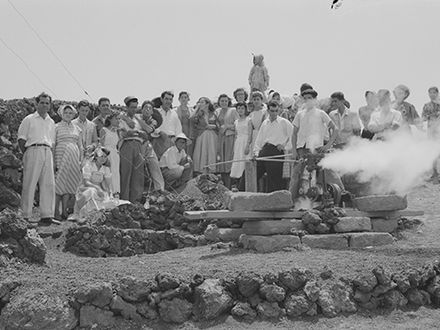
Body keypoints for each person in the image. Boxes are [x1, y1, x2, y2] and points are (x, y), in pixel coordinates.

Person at [290, 85, 339, 200]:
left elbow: (335, 129)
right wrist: (293, 150)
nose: (307, 100)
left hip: (317, 149)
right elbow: (294, 133)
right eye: (305, 98)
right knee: (297, 175)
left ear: (314, 99)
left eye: (309, 98)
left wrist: (328, 145)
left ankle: (320, 199)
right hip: (301, 149)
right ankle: (292, 200)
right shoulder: (299, 114)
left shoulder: (321, 113)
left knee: (321, 175)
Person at [18, 92, 56, 226]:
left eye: (47, 103)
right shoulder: (29, 119)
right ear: (36, 103)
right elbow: (21, 139)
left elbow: (52, 141)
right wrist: (28, 153)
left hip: (47, 151)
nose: (45, 105)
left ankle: (47, 215)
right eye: (42, 102)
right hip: (33, 149)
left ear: (50, 105)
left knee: (49, 184)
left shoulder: (51, 122)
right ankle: (25, 214)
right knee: (30, 183)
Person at [69, 147, 126, 222]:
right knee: (91, 191)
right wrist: (97, 188)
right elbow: (86, 182)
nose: (103, 159)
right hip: (85, 188)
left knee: (109, 202)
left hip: (99, 191)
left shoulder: (106, 169)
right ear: (96, 157)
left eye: (105, 157)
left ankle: (94, 214)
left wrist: (110, 194)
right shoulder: (88, 166)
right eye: (101, 156)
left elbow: (107, 185)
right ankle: (76, 213)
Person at [251, 100, 293, 192]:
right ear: (268, 111)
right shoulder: (265, 123)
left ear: (279, 111)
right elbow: (259, 140)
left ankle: (275, 201)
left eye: (276, 111)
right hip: (264, 151)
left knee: (274, 179)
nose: (274, 113)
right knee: (252, 174)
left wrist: (285, 146)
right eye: (272, 111)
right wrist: (256, 152)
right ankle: (241, 193)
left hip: (276, 152)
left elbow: (293, 137)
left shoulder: (284, 122)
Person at [53, 104, 83, 220]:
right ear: (61, 114)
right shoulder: (56, 127)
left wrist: (81, 160)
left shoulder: (77, 128)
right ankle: (56, 211)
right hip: (61, 156)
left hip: (74, 157)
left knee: (69, 184)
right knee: (59, 183)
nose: (68, 115)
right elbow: (54, 144)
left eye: (70, 113)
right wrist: (54, 161)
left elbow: (80, 146)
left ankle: (64, 211)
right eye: (66, 113)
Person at [119, 96, 146, 202]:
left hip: (139, 145)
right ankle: (124, 199)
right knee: (126, 172)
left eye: (135, 107)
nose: (134, 110)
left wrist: (142, 133)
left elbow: (146, 132)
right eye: (132, 107)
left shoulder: (139, 119)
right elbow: (121, 132)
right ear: (127, 107)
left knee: (138, 173)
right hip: (127, 144)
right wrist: (127, 133)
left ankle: (136, 200)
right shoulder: (121, 118)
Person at [139, 100, 165, 192]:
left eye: (150, 108)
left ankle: (160, 189)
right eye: (145, 107)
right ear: (141, 109)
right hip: (136, 146)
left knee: (154, 163)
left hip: (147, 145)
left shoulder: (153, 121)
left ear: (152, 112)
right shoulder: (136, 118)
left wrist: (138, 121)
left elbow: (149, 129)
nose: (147, 110)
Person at [191, 97, 219, 174]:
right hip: (201, 136)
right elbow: (192, 120)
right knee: (201, 153)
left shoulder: (214, 113)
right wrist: (197, 109)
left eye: (202, 102)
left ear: (207, 104)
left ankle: (211, 171)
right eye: (199, 102)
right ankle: (202, 172)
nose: (200, 103)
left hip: (212, 136)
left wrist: (213, 126)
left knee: (211, 152)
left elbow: (218, 125)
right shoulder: (198, 114)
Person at [216, 94, 238, 188]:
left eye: (225, 101)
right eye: (222, 101)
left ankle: (231, 184)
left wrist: (227, 127)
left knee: (229, 159)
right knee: (222, 160)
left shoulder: (232, 110)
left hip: (230, 137)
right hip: (221, 138)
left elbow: (238, 124)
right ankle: (224, 184)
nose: (224, 103)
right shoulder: (218, 111)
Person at [152, 91, 182, 159]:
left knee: (169, 165)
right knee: (159, 164)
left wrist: (177, 141)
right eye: (166, 99)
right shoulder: (155, 112)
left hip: (172, 142)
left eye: (170, 99)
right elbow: (152, 126)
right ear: (162, 99)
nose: (168, 101)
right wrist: (160, 132)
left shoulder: (174, 113)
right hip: (159, 140)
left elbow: (178, 129)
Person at [100, 111, 121, 197]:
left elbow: (118, 144)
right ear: (110, 119)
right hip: (106, 154)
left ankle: (116, 192)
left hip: (115, 155)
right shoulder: (104, 130)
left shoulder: (117, 131)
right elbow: (101, 145)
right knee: (108, 173)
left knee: (115, 173)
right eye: (116, 118)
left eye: (119, 119)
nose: (118, 120)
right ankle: (108, 193)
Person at [422, 86, 440, 183]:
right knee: (433, 152)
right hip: (431, 132)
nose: (432, 95)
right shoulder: (427, 105)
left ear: (437, 93)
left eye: (433, 92)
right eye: (430, 93)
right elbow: (423, 118)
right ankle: (435, 173)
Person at [230, 102, 251, 184]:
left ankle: (245, 182)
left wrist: (248, 145)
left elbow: (250, 134)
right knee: (237, 162)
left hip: (245, 141)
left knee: (245, 161)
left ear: (245, 109)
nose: (240, 110)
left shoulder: (248, 120)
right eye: (239, 108)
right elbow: (236, 135)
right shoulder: (236, 122)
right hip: (238, 143)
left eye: (242, 108)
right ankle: (237, 183)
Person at [175, 91, 194, 157]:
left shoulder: (192, 110)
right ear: (179, 99)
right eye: (182, 97)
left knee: (189, 152)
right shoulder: (175, 110)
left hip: (189, 133)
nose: (183, 99)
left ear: (188, 99)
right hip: (180, 132)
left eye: (185, 97)